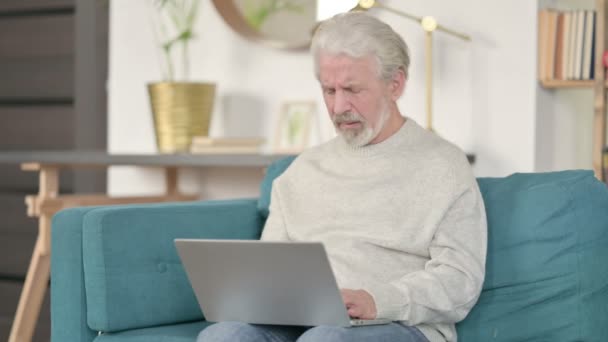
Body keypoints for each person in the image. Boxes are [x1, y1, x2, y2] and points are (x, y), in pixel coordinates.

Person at [198, 11, 487, 342]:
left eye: (352, 89)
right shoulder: (301, 171)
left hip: (397, 325)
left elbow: (460, 280)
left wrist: (377, 300)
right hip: (300, 324)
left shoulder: (444, 166)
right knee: (225, 336)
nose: (338, 107)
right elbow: (270, 273)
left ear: (395, 84)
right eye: (329, 90)